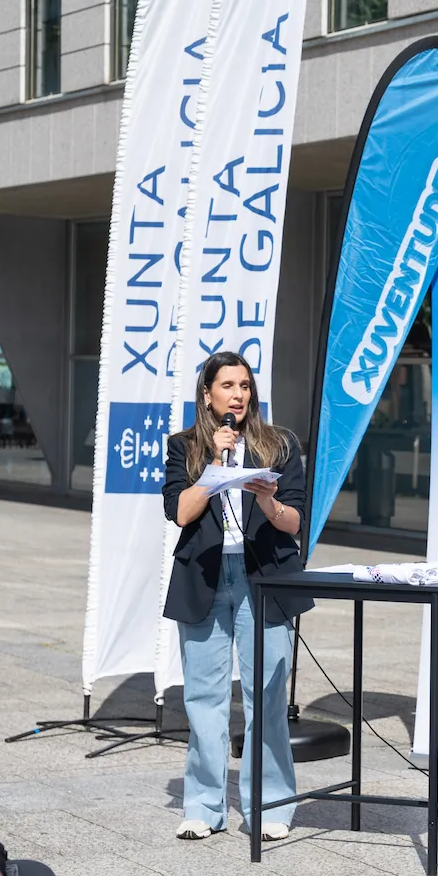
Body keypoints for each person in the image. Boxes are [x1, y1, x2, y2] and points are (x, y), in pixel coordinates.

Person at [161, 351, 313, 842]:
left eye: (244, 385)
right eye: (227, 386)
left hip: (262, 577)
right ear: (207, 395)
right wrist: (213, 467)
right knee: (203, 697)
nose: (238, 395)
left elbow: (295, 521)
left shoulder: (278, 444)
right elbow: (180, 513)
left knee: (266, 694)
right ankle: (204, 807)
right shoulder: (184, 447)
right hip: (205, 576)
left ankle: (271, 805)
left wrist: (268, 500)